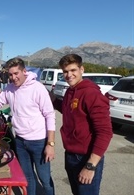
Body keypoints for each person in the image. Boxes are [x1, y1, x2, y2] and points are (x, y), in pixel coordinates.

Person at [0, 57, 56, 195]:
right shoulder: (10, 88)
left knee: (44, 180)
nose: (13, 77)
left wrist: (50, 144)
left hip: (39, 142)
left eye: (16, 73)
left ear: (24, 71)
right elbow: (0, 101)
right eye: (10, 74)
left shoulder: (38, 88)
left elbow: (50, 115)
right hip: (20, 141)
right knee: (27, 178)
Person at [53, 54, 112, 195]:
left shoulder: (91, 94)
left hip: (86, 158)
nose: (69, 75)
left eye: (73, 70)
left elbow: (105, 132)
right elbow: (70, 110)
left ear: (81, 69)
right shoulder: (70, 92)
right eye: (65, 72)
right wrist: (54, 100)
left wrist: (90, 166)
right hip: (71, 155)